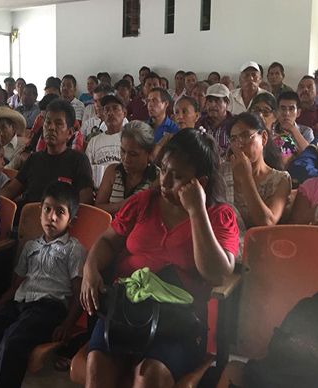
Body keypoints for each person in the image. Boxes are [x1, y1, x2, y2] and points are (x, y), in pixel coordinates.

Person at [81, 129, 239, 388]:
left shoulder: (219, 216)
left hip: (177, 321)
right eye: (163, 170)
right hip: (126, 309)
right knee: (97, 366)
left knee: (149, 375)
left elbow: (217, 274)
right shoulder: (144, 201)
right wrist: (91, 269)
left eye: (177, 177)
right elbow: (108, 240)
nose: (164, 182)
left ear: (201, 182)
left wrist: (197, 210)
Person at [0, 181, 85, 388]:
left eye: (60, 212)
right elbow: (15, 286)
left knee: (12, 342)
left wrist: (67, 324)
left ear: (71, 221)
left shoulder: (74, 249)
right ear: (41, 211)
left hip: (48, 309)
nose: (52, 217)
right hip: (19, 303)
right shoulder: (31, 246)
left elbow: (78, 292)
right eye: (47, 209)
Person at [0, 99, 94, 208]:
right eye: (48, 122)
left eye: (58, 124)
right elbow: (11, 189)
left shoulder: (79, 161)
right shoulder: (34, 159)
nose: (51, 128)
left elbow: (85, 202)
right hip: (27, 219)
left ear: (70, 133)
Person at [222, 112, 290, 228]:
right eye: (234, 139)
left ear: (263, 138)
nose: (239, 144)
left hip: (260, 244)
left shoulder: (280, 180)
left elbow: (267, 222)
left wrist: (246, 177)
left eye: (245, 136)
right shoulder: (222, 172)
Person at [95, 120, 158, 216]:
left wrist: (115, 208)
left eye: (133, 154)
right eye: (123, 151)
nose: (126, 159)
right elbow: (97, 209)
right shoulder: (113, 172)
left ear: (149, 153)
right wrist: (127, 204)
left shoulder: (157, 178)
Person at [85, 95, 126, 186]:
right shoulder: (93, 142)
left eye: (115, 108)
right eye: (107, 109)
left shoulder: (130, 140)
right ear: (103, 114)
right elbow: (87, 171)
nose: (110, 113)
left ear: (124, 113)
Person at [196, 83, 234, 154]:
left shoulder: (235, 123)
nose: (212, 105)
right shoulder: (200, 122)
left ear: (227, 103)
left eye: (217, 101)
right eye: (210, 101)